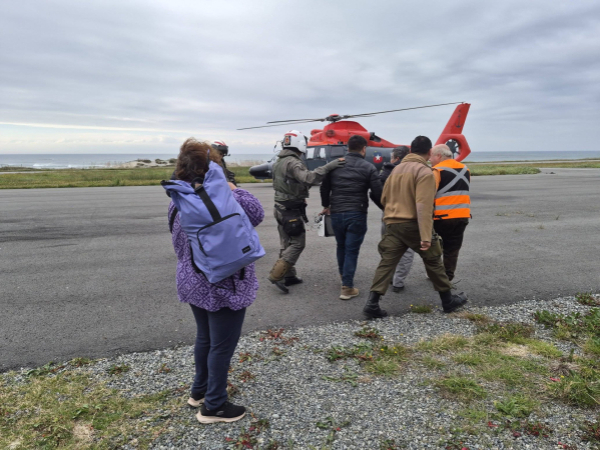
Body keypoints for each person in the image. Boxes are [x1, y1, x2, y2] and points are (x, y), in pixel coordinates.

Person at [168, 138, 264, 423]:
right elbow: (256, 213)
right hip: (223, 283)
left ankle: (199, 392)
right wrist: (231, 187)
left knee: (205, 338)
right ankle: (214, 405)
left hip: (191, 278)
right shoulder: (224, 198)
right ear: (213, 168)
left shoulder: (179, 197)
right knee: (221, 345)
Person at [364, 136, 468, 319]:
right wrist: (426, 236)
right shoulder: (424, 171)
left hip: (392, 224)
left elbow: (384, 197)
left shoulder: (396, 170)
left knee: (386, 263)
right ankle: (447, 300)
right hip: (412, 225)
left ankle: (372, 303)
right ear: (429, 152)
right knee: (434, 260)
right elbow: (424, 206)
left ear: (411, 150)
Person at [268, 130, 346, 293]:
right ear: (300, 144)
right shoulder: (293, 162)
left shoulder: (279, 161)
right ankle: (277, 275)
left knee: (286, 242)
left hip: (280, 207)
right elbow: (309, 178)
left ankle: (289, 275)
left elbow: (290, 183)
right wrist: (329, 166)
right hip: (290, 210)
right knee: (298, 243)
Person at [320, 135, 383, 300]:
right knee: (352, 250)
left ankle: (344, 276)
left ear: (348, 148)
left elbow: (324, 187)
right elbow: (377, 193)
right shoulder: (369, 167)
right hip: (357, 213)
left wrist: (326, 205)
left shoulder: (335, 165)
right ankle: (347, 287)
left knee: (341, 246)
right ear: (364, 149)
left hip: (337, 212)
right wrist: (386, 208)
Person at [429, 144, 471, 281]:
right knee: (452, 250)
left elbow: (429, 194)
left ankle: (436, 276)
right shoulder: (465, 169)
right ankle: (448, 277)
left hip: (442, 217)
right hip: (462, 216)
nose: (429, 159)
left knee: (435, 249)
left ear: (438, 156)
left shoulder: (437, 170)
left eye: (431, 156)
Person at [379, 146, 414, 293]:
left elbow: (376, 194)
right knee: (407, 250)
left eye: (392, 157)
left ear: (397, 158)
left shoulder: (386, 172)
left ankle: (389, 276)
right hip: (408, 215)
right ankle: (398, 282)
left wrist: (385, 207)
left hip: (388, 215)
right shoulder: (414, 171)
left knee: (388, 246)